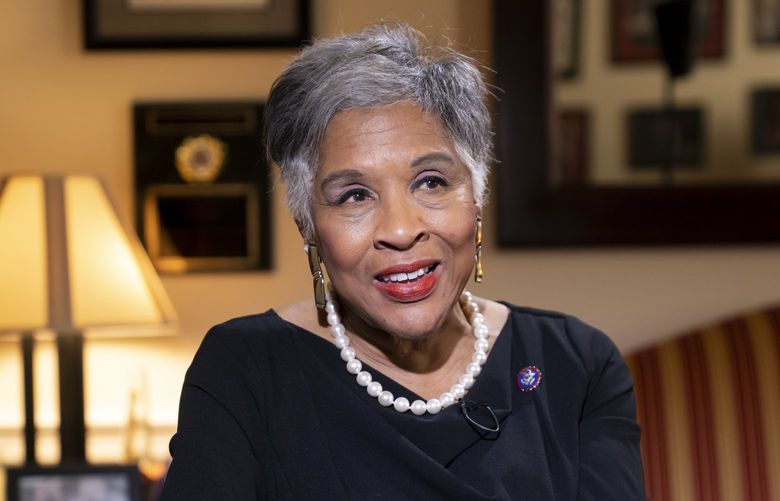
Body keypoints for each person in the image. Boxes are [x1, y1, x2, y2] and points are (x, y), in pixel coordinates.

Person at [160, 23, 645, 500]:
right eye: (353, 195)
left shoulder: (576, 364)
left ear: (477, 198)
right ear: (308, 227)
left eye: (431, 182)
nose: (399, 229)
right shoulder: (245, 370)